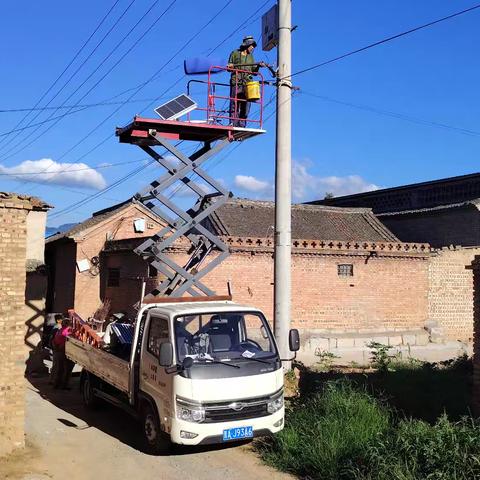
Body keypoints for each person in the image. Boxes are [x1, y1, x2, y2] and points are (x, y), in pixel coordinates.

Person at [227, 35, 264, 127]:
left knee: (246, 104)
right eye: (252, 46)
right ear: (247, 45)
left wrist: (258, 66)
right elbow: (229, 67)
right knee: (234, 103)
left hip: (247, 84)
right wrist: (231, 66)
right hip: (236, 82)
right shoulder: (235, 53)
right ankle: (233, 122)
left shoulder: (251, 57)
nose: (252, 48)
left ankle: (242, 124)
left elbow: (254, 72)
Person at [51, 318, 74, 389]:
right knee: (67, 370)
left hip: (59, 351)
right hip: (65, 352)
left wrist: (56, 348)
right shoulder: (68, 331)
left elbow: (54, 341)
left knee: (60, 369)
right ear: (68, 324)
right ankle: (64, 385)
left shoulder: (59, 330)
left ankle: (56, 384)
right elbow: (66, 341)